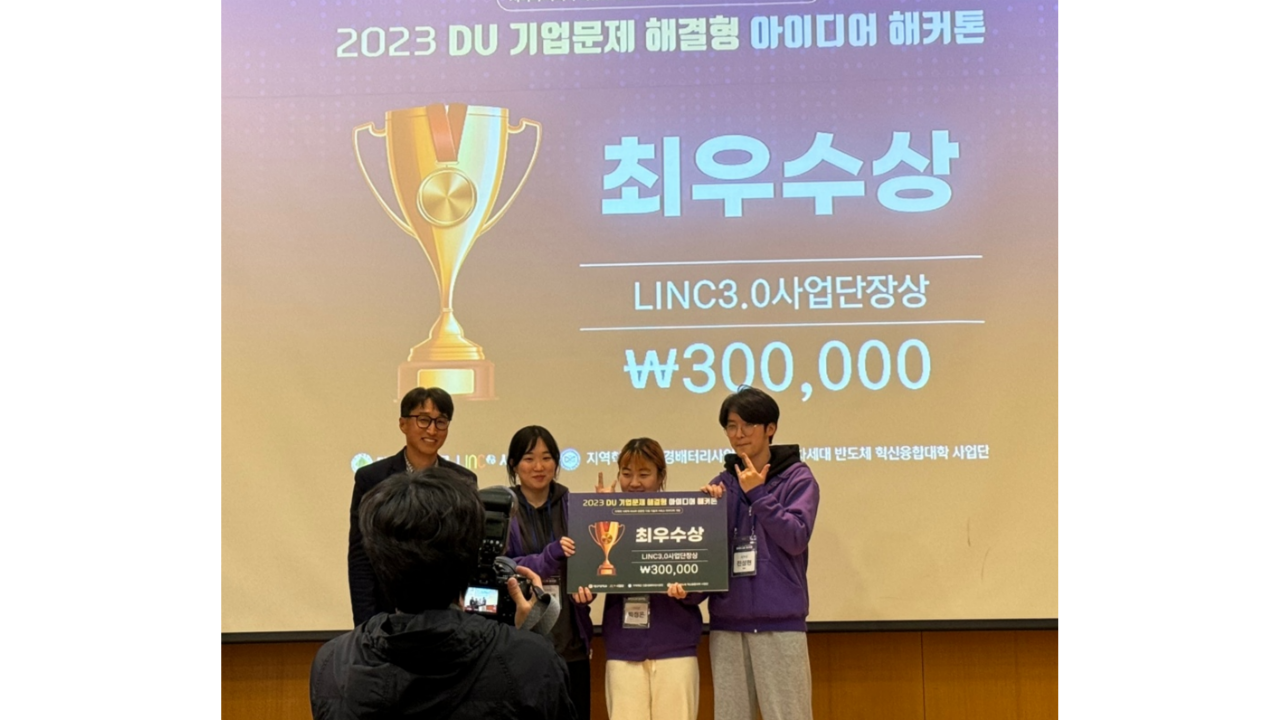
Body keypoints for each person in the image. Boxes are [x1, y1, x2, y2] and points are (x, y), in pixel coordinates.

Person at [311, 467, 576, 720]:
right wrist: (529, 636)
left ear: (376, 557)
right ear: (470, 554)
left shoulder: (333, 663)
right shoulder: (531, 662)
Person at [700, 386, 820, 720]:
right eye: (731, 426)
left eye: (748, 425)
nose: (738, 434)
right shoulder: (721, 484)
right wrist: (707, 512)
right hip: (728, 624)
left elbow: (795, 537)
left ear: (771, 428)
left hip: (780, 622)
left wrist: (758, 494)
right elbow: (708, 556)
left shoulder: (798, 478)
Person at [566, 438, 706, 720]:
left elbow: (703, 581)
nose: (634, 483)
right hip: (624, 648)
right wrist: (600, 513)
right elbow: (588, 579)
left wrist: (688, 592)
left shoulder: (683, 518)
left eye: (644, 474)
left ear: (661, 477)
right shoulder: (606, 518)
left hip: (675, 646)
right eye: (626, 474)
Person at [348, 386, 478, 626]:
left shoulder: (463, 480)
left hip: (449, 617)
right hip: (387, 615)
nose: (432, 430)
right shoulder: (372, 478)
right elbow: (361, 555)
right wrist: (366, 624)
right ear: (403, 423)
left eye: (441, 421)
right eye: (423, 420)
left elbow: (467, 553)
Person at [503, 426, 594, 720]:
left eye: (546, 458)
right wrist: (548, 556)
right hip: (519, 644)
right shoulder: (502, 511)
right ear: (514, 464)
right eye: (529, 458)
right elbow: (504, 567)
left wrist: (589, 589)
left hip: (571, 645)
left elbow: (591, 562)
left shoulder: (574, 506)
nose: (539, 467)